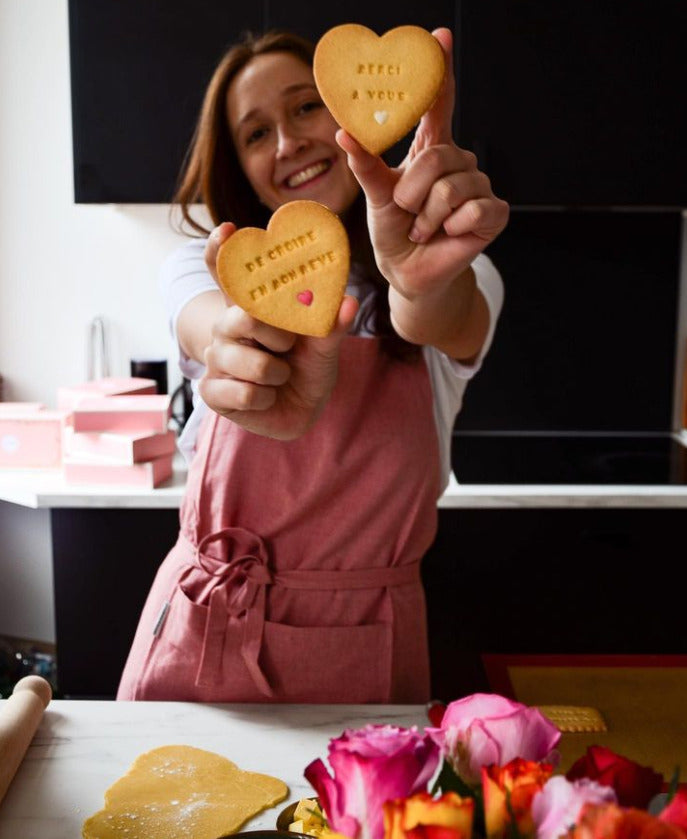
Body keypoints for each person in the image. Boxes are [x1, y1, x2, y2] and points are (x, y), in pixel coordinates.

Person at [117, 27, 508, 704]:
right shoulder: (207, 264)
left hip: (369, 645)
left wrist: (415, 282)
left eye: (304, 108)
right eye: (254, 133)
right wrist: (241, 349)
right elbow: (210, 324)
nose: (288, 142)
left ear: (353, 107)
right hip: (203, 628)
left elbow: (440, 312)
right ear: (237, 166)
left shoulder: (459, 266)